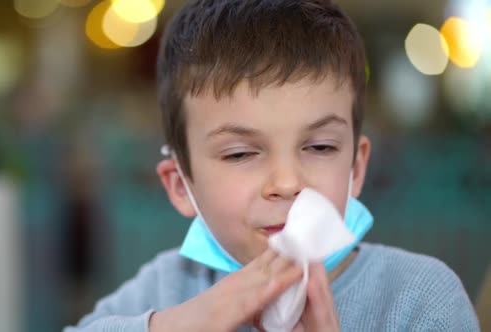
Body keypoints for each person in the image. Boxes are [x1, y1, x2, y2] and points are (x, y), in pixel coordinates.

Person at [65, 0, 480, 330]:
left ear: (355, 168)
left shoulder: (419, 300)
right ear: (179, 185)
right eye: (240, 154)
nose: (286, 182)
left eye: (319, 147)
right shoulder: (165, 287)